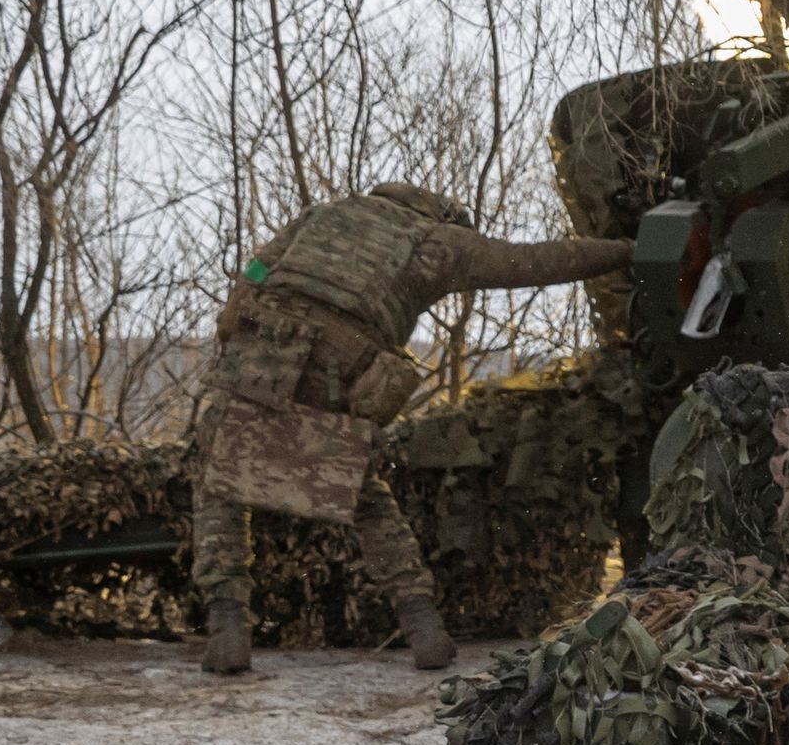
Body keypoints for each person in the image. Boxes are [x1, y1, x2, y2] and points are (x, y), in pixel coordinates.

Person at [191, 180, 629, 676]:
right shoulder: (441, 242)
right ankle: (423, 626)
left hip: (261, 345)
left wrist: (241, 301)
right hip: (340, 360)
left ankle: (227, 627)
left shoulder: (325, 213)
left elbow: (257, 265)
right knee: (365, 499)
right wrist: (626, 250)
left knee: (219, 484)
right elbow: (537, 261)